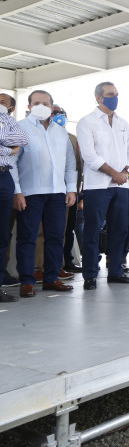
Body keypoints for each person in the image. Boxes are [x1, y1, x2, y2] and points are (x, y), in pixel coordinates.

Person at [11, 90, 75, 298]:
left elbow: (70, 163)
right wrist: (17, 192)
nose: (41, 106)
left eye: (45, 103)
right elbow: (11, 162)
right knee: (27, 238)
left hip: (57, 193)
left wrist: (71, 188)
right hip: (30, 192)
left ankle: (51, 278)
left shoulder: (61, 132)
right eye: (36, 103)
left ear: (51, 107)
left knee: (56, 237)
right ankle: (27, 281)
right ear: (29, 106)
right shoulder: (19, 127)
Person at [77, 82, 129, 289]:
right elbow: (89, 155)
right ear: (99, 98)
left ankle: (116, 272)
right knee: (92, 231)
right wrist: (114, 173)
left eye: (117, 94)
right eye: (111, 94)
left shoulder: (123, 123)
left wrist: (125, 171)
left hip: (120, 187)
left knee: (119, 230)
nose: (115, 98)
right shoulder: (87, 122)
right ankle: (90, 275)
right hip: (97, 187)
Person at [0, 93, 27, 301]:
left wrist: (6, 147)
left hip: (4, 177)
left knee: (2, 236)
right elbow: (12, 147)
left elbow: (21, 141)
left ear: (11, 108)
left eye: (2, 102)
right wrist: (9, 150)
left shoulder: (11, 122)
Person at [53, 107, 84, 274]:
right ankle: (50, 265)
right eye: (54, 113)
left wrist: (78, 191)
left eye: (61, 114)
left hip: (71, 191)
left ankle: (67, 261)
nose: (58, 116)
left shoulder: (72, 138)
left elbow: (78, 165)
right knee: (52, 230)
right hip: (50, 190)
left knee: (69, 228)